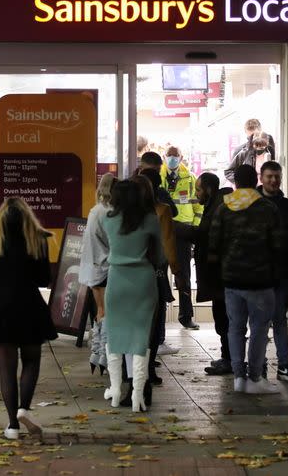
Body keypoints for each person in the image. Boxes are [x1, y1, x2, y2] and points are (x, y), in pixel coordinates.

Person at [0, 197, 57, 439]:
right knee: (31, 360)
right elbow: (43, 279)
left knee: (6, 369)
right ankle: (23, 408)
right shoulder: (37, 238)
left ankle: (12, 425)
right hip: (29, 305)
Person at [209, 164, 283, 394]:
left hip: (232, 278)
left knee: (235, 328)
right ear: (256, 180)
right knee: (259, 328)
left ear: (236, 183)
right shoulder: (268, 208)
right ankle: (255, 378)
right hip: (260, 279)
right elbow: (278, 245)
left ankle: (238, 377)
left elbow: (213, 244)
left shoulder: (224, 208)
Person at [102, 180, 164, 412]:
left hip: (116, 281)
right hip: (143, 282)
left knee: (115, 337)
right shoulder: (150, 219)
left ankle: (116, 391)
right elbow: (158, 255)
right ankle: (138, 396)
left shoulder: (107, 219)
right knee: (141, 338)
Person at [180, 172, 233, 375]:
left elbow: (205, 235)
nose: (196, 194)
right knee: (222, 317)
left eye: (199, 189)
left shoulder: (218, 207)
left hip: (219, 274)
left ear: (209, 190)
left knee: (224, 318)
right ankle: (227, 356)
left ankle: (230, 359)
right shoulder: (216, 205)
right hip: (218, 274)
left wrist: (177, 229)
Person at [258, 161, 288, 383]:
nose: (273, 180)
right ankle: (260, 364)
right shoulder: (253, 204)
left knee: (278, 318)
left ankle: (283, 364)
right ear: (261, 177)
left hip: (283, 271)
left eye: (277, 176)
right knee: (259, 321)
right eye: (269, 176)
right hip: (259, 271)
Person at [138, 169, 178, 387]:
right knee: (153, 323)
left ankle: (130, 371)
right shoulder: (160, 211)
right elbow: (168, 244)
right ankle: (148, 368)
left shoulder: (121, 214)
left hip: (127, 277)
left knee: (134, 325)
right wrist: (177, 272)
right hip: (155, 273)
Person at [80, 173, 117, 375]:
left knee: (100, 313)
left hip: (94, 269)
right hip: (106, 268)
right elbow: (114, 242)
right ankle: (103, 356)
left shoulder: (95, 211)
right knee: (106, 315)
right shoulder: (109, 213)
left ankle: (96, 354)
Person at [161, 146, 200, 330]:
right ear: (164, 157)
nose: (172, 159)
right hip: (162, 229)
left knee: (183, 275)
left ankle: (186, 316)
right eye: (169, 156)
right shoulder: (160, 176)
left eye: (175, 156)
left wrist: (195, 228)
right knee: (160, 274)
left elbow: (197, 205)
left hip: (183, 231)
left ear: (181, 157)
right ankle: (159, 319)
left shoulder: (190, 178)